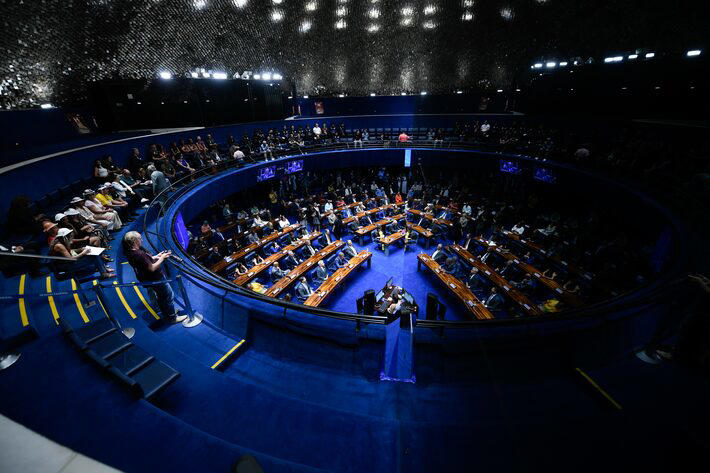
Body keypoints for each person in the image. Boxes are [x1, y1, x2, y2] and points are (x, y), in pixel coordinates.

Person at [123, 231, 186, 323]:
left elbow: (145, 261)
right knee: (168, 296)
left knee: (161, 297)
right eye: (140, 238)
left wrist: (157, 256)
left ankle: (168, 312)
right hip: (156, 278)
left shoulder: (130, 252)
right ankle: (172, 317)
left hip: (148, 278)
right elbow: (151, 268)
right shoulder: (139, 254)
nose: (142, 240)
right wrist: (162, 258)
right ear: (134, 240)